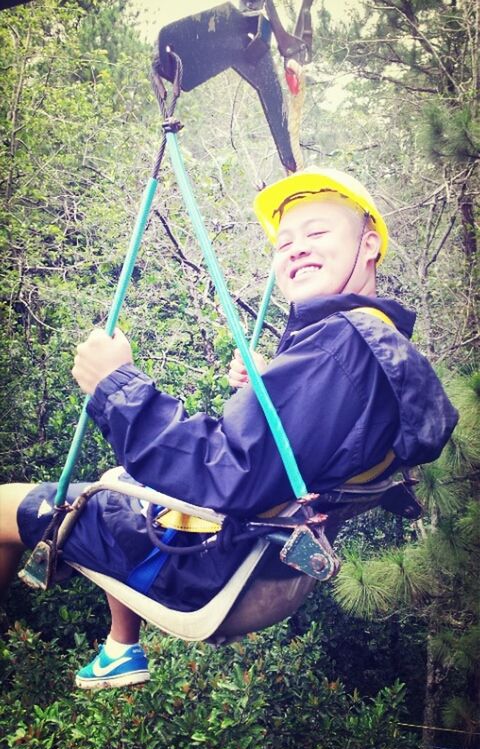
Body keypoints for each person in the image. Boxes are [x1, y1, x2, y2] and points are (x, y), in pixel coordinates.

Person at [0, 168, 458, 689]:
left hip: (199, 566)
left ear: (369, 243)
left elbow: (225, 473)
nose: (296, 249)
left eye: (317, 233)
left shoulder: (339, 348)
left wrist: (115, 385)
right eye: (284, 241)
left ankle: (115, 640)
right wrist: (277, 381)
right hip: (269, 573)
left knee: (1, 506)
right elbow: (317, 437)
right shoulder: (375, 342)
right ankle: (120, 646)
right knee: (119, 477)